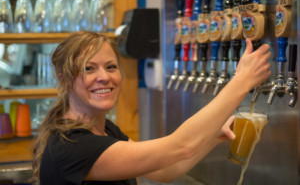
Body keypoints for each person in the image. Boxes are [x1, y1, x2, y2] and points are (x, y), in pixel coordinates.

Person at [31, 31, 271, 185]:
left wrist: (212, 137)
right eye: (89, 68)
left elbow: (165, 170)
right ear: (64, 79)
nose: (104, 77)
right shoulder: (71, 146)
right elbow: (180, 146)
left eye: (111, 67)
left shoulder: (104, 131)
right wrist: (241, 81)